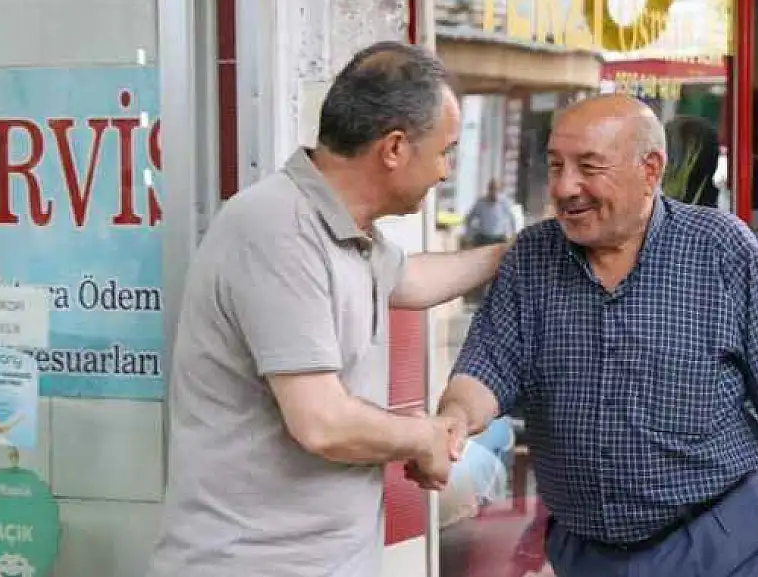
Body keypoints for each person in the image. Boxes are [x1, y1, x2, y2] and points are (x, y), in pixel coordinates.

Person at [409, 94, 758, 577]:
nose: (565, 187)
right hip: (586, 553)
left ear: (650, 170)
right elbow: (486, 368)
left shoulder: (720, 249)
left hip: (714, 543)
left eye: (588, 167)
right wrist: (455, 419)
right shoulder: (532, 258)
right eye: (556, 165)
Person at [145, 41, 509, 577]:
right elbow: (322, 423)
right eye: (444, 151)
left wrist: (513, 253)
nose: (446, 172)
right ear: (393, 148)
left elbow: (412, 279)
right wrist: (424, 434)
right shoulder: (276, 229)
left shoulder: (344, 231)